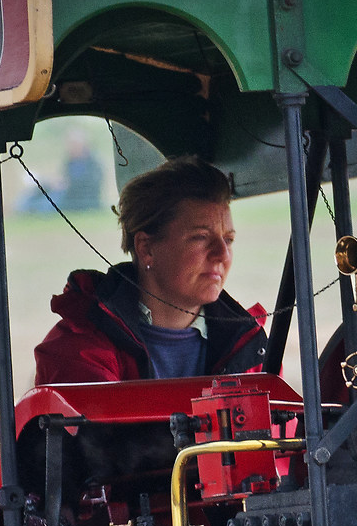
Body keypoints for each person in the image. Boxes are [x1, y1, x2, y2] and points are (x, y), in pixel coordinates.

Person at [32, 155, 266, 384]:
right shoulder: (79, 348)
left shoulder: (250, 350)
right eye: (201, 237)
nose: (222, 255)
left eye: (229, 240)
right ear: (146, 248)